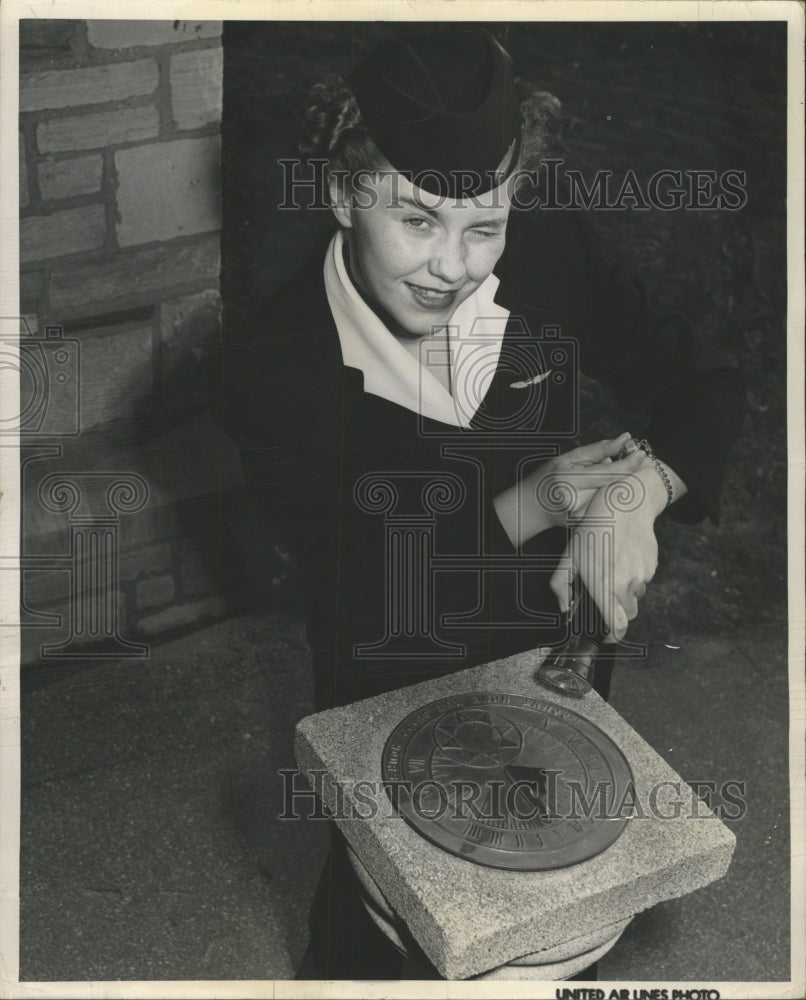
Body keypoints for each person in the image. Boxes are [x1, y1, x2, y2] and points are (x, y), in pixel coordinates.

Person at [215, 28, 745, 981]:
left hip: (560, 673)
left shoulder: (550, 257)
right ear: (341, 194)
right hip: (386, 677)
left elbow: (703, 381)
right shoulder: (272, 363)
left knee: (547, 929)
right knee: (382, 938)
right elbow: (367, 580)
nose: (455, 267)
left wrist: (638, 489)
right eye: (416, 221)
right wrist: (544, 496)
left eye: (484, 226)